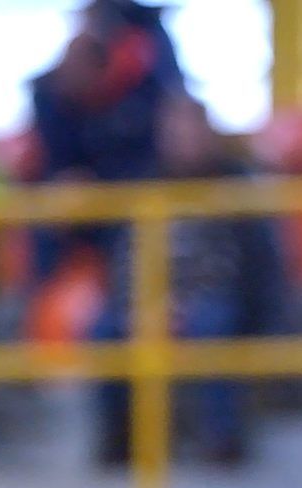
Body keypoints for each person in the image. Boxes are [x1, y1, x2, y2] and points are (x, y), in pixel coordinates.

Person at [89, 91, 284, 467]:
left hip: (211, 299)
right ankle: (119, 442)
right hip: (147, 300)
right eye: (173, 132)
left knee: (214, 323)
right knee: (104, 329)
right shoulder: (145, 184)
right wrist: (142, 305)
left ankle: (223, 441)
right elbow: (126, 255)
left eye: (190, 131)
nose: (183, 139)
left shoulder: (236, 185)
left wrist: (182, 305)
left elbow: (246, 263)